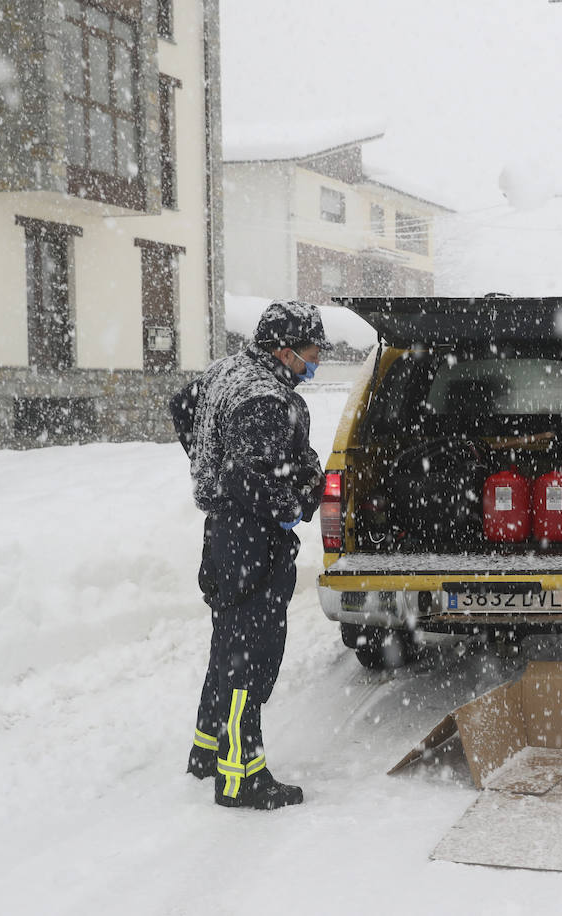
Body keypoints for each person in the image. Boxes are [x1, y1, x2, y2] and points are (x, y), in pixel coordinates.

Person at [169, 300, 330, 810]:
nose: (316, 359)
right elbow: (255, 479)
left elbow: (183, 407)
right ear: (284, 351)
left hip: (224, 533)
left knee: (229, 646)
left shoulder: (226, 373)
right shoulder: (265, 399)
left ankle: (208, 751)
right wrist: (298, 502)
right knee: (252, 659)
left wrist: (206, 462)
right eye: (311, 351)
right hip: (251, 538)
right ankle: (241, 778)